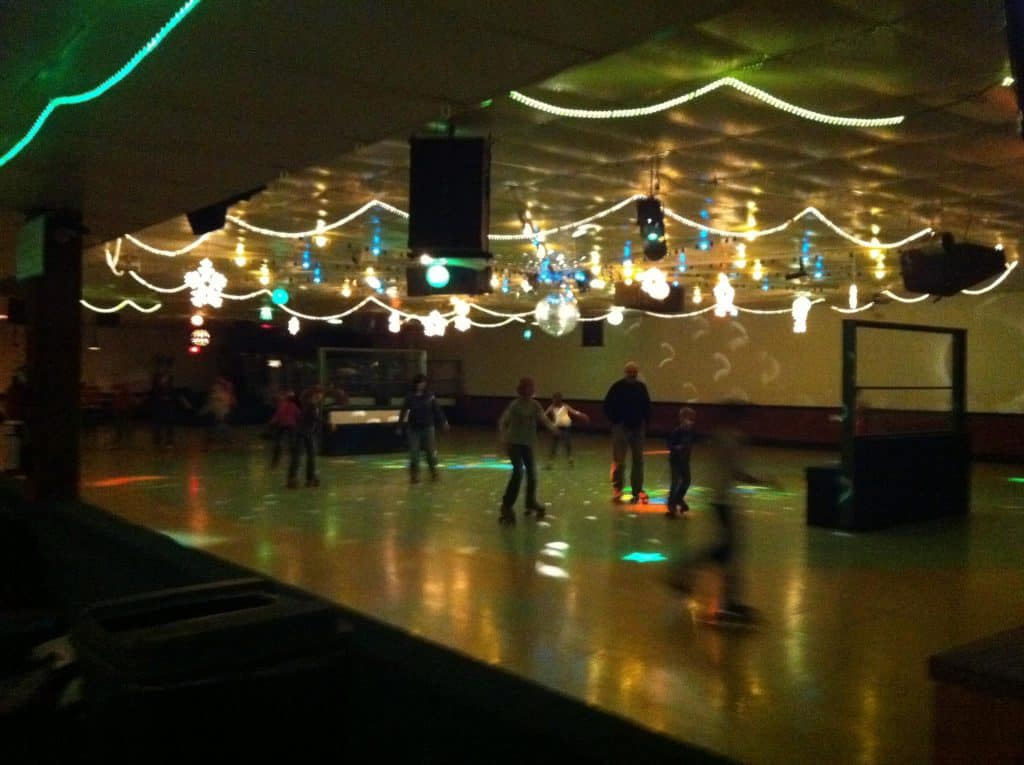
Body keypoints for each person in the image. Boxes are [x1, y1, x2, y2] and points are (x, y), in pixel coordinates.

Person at [667, 402, 774, 624]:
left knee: (725, 550)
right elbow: (737, 472)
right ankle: (724, 598)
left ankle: (686, 574)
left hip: (719, 499)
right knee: (729, 550)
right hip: (723, 501)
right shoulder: (731, 438)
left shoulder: (720, 435)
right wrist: (763, 481)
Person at [497, 377, 559, 525]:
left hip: (527, 444)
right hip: (514, 443)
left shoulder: (535, 405)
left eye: (532, 387)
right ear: (521, 389)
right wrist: (503, 438)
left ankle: (530, 501)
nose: (530, 390)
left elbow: (543, 419)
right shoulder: (515, 405)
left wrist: (553, 429)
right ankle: (506, 506)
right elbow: (503, 421)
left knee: (532, 474)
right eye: (527, 387)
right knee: (518, 472)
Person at [602, 361, 652, 504]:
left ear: (637, 373)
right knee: (619, 461)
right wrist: (615, 421)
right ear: (625, 373)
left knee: (638, 460)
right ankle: (618, 489)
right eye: (630, 372)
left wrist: (646, 421)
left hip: (637, 428)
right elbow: (607, 405)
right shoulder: (617, 387)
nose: (632, 375)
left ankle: (637, 490)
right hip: (621, 427)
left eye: (634, 372)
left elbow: (647, 405)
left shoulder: (641, 387)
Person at [397, 373, 449, 483]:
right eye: (420, 383)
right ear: (415, 384)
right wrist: (399, 425)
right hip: (413, 428)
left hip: (428, 427)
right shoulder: (410, 397)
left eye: (423, 383)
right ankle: (414, 475)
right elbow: (403, 411)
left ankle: (433, 471)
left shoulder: (430, 396)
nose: (422, 385)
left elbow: (437, 409)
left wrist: (444, 421)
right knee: (414, 453)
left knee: (430, 451)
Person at [288, 384, 324, 488]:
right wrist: (328, 423)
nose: (321, 397)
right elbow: (315, 418)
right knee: (304, 456)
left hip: (306, 432)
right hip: (304, 433)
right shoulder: (311, 405)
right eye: (320, 394)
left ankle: (297, 478)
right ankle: (305, 478)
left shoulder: (310, 404)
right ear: (316, 394)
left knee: (302, 456)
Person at [543, 392, 589, 469]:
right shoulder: (551, 407)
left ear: (559, 399)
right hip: (556, 427)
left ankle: (570, 460)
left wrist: (582, 415)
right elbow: (544, 415)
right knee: (554, 445)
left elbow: (574, 412)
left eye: (556, 399)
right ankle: (550, 463)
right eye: (554, 399)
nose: (554, 401)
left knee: (567, 443)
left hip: (566, 427)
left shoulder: (565, 406)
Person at [666, 406, 696, 518]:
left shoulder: (691, 432)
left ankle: (678, 498)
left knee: (686, 481)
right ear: (681, 419)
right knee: (675, 482)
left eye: (692, 420)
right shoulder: (677, 432)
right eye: (687, 419)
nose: (690, 422)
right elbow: (669, 444)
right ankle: (671, 505)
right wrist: (676, 448)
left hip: (685, 461)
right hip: (675, 461)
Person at [268, 387, 299, 468]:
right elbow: (298, 415)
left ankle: (275, 461)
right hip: (290, 425)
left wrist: (272, 423)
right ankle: (294, 460)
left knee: (279, 443)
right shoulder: (293, 406)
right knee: (291, 443)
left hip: (283, 425)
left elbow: (278, 415)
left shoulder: (283, 405)